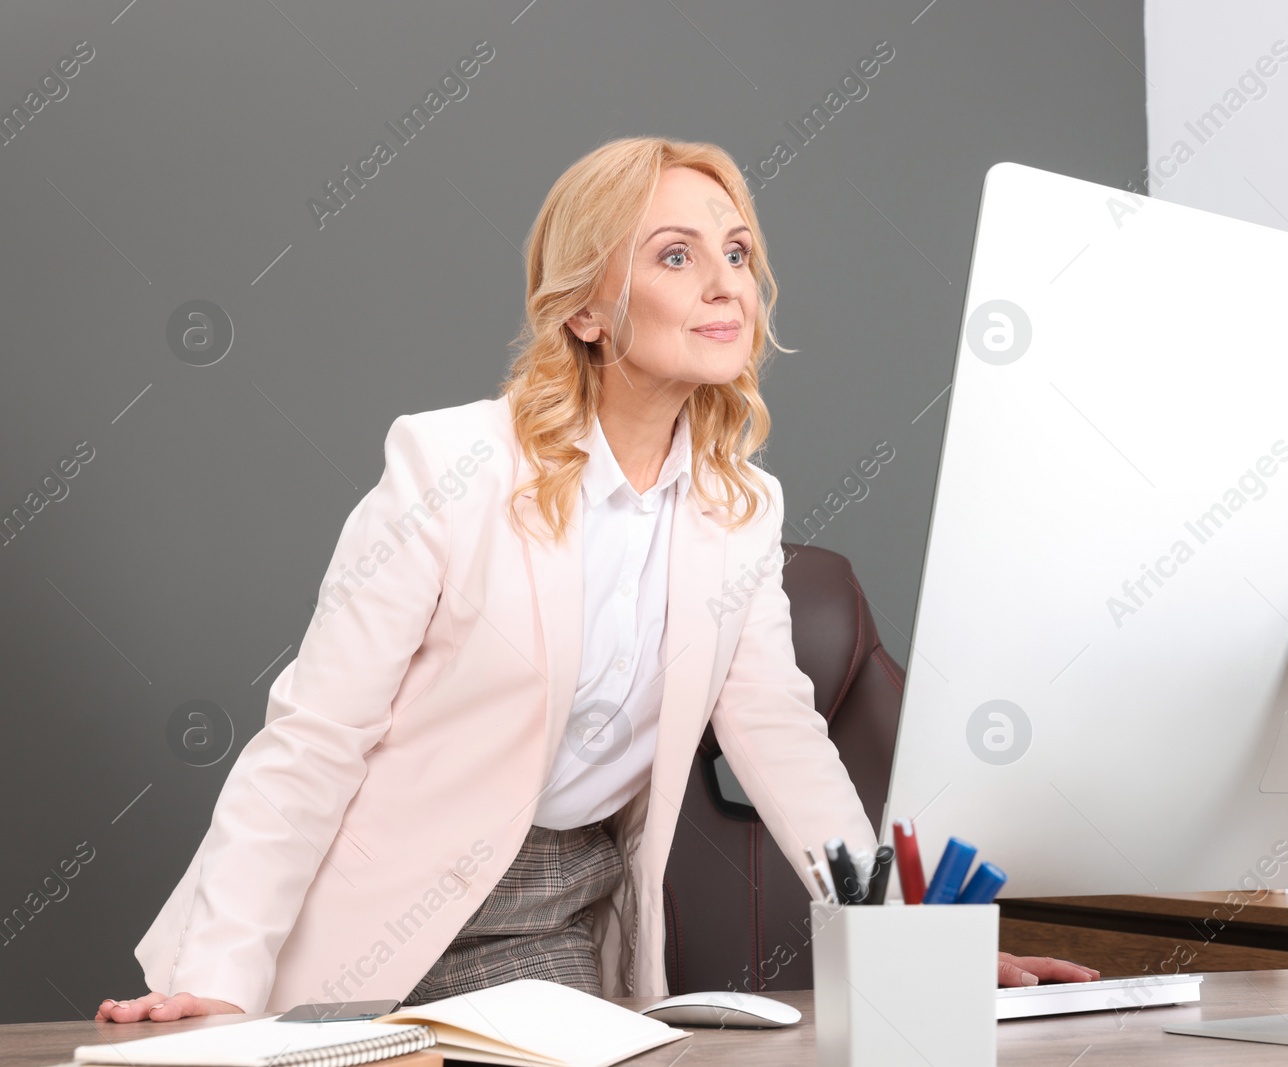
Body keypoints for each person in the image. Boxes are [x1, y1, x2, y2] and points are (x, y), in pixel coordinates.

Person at [97, 136, 1099, 1023]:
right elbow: (314, 736)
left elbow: (783, 743)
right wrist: (223, 975)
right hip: (371, 904)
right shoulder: (449, 467)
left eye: (738, 252)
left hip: (549, 908)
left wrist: (915, 947)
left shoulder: (739, 503)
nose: (726, 284)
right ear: (584, 308)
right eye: (677, 254)